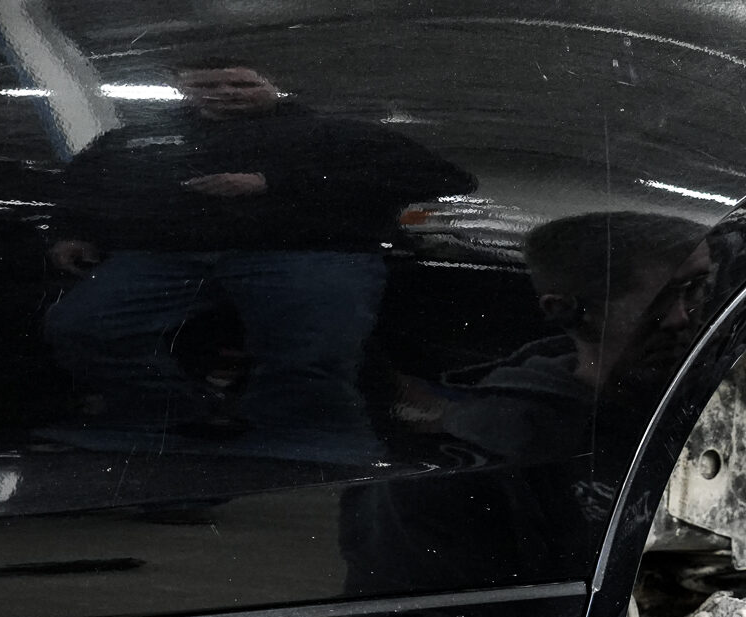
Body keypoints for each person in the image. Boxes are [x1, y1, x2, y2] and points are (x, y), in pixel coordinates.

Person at [43, 58, 476, 460]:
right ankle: (158, 422)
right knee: (86, 327)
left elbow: (445, 176)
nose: (226, 91)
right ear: (182, 89)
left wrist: (274, 182)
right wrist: (72, 231)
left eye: (241, 83)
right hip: (166, 257)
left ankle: (305, 443)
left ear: (274, 86)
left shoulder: (339, 133)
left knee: (307, 352)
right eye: (208, 84)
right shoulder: (137, 138)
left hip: (306, 254)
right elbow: (84, 184)